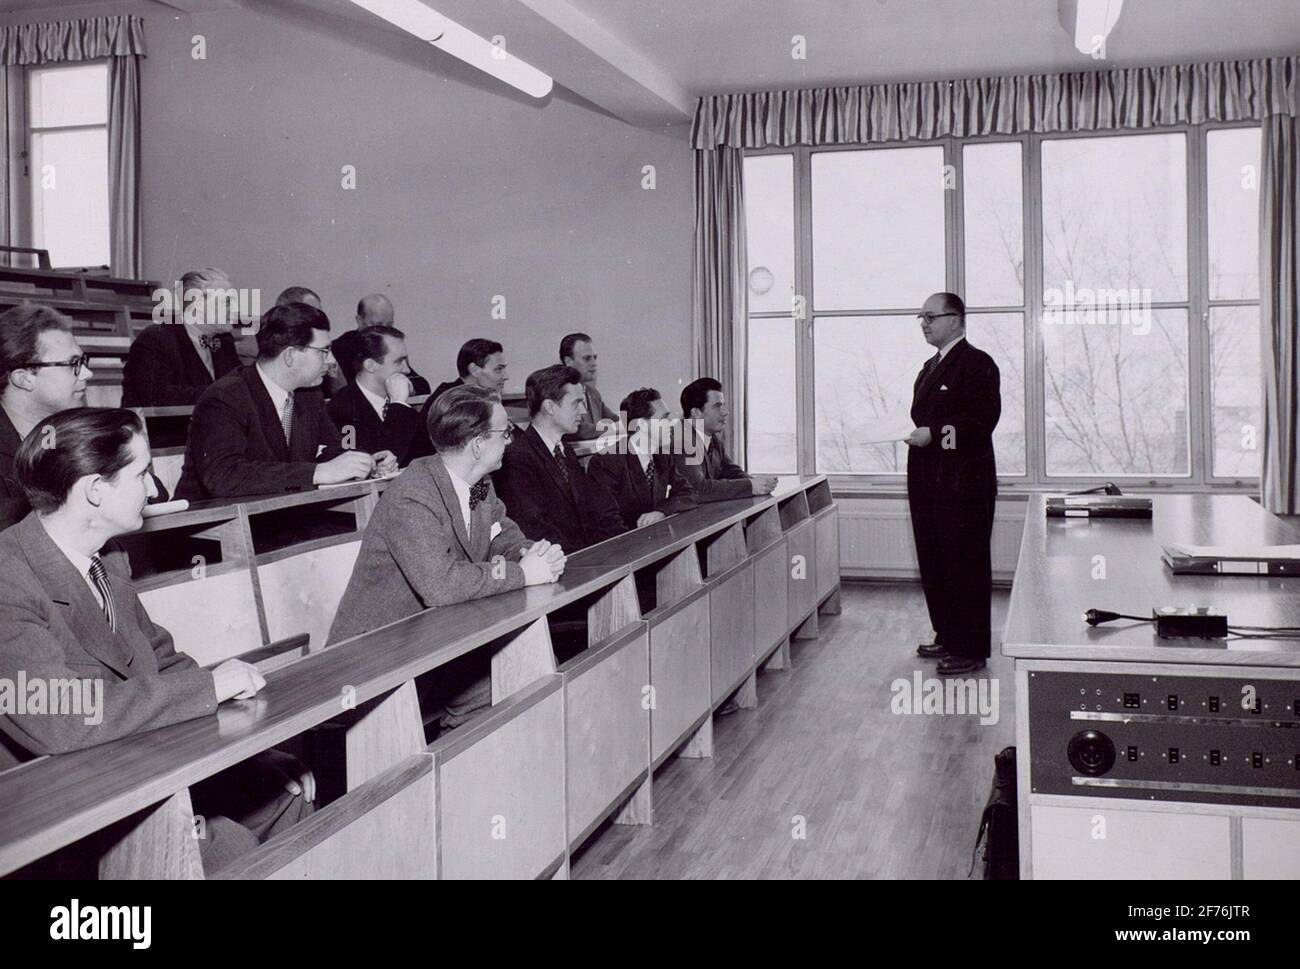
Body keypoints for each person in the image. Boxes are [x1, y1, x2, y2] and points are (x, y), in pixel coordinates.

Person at [0, 408, 314, 871]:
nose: (153, 489)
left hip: (128, 763)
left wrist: (249, 747)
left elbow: (163, 662)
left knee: (286, 787)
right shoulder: (8, 576)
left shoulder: (106, 556)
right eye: (142, 473)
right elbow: (60, 715)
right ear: (94, 490)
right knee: (226, 845)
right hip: (53, 810)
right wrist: (209, 688)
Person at [327, 385, 565, 733]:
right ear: (478, 444)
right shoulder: (412, 497)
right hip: (377, 657)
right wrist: (524, 575)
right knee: (506, 682)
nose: (510, 441)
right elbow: (441, 585)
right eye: (506, 432)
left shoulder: (479, 482)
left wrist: (530, 553)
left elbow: (502, 534)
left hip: (437, 640)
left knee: (534, 667)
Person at [176, 302, 393, 501]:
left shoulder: (309, 396)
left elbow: (331, 448)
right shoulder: (225, 397)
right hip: (212, 530)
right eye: (324, 351)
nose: (332, 361)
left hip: (279, 516)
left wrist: (363, 462)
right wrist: (318, 472)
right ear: (290, 356)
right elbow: (224, 476)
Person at [906, 292, 1000, 676]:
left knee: (966, 566)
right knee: (936, 563)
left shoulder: (978, 364)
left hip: (965, 488)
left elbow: (981, 423)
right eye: (921, 317)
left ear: (956, 320)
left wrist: (936, 434)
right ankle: (948, 634)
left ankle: (971, 648)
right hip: (930, 484)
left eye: (931, 316)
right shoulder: (931, 365)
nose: (924, 323)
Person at [493, 364, 626, 552]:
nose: (582, 411)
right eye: (576, 403)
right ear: (549, 407)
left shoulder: (565, 452)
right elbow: (534, 530)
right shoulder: (517, 459)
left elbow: (591, 513)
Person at [1, 304, 96, 530]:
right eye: (73, 364)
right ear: (24, 378)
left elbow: (154, 494)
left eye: (83, 361)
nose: (87, 373)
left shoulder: (81, 427)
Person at [121, 267, 241, 406]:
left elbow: (238, 386)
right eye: (227, 302)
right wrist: (225, 394)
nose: (235, 309)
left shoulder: (224, 341)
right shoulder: (155, 339)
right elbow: (157, 397)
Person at [588, 387, 697, 529]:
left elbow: (690, 494)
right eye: (664, 418)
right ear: (642, 425)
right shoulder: (605, 462)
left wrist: (661, 511)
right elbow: (607, 522)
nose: (671, 424)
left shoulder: (663, 457)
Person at [326, 325, 424, 466]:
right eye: (399, 362)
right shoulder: (342, 408)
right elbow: (379, 461)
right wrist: (397, 406)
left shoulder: (404, 406)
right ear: (370, 365)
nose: (407, 370)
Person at [674, 377, 777, 502]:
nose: (725, 412)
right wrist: (751, 486)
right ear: (696, 412)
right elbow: (698, 489)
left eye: (723, 405)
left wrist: (755, 482)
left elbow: (729, 470)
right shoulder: (681, 439)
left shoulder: (710, 436)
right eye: (717, 406)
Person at [412, 338, 508, 459]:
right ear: (475, 370)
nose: (506, 376)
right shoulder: (451, 401)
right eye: (498, 369)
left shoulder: (477, 397)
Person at [354, 294, 431, 395]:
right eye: (378, 325)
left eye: (389, 325)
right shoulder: (340, 348)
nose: (385, 330)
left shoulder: (390, 344)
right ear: (359, 321)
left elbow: (421, 385)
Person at [560, 332, 617, 440]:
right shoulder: (560, 392)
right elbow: (579, 430)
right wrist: (615, 428)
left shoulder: (592, 393)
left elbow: (614, 419)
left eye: (594, 357)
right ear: (568, 361)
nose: (594, 363)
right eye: (587, 358)